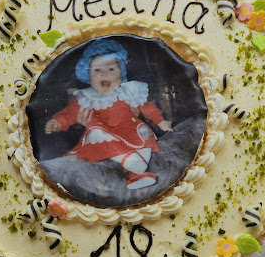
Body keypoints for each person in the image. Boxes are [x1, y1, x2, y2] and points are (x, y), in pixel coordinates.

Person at [45, 39, 172, 190]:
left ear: (121, 74)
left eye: (111, 69)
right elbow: (69, 114)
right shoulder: (87, 97)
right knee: (96, 133)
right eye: (97, 71)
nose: (104, 73)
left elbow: (146, 106)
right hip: (105, 138)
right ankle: (131, 162)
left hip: (130, 131)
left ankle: (136, 173)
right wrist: (58, 122)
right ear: (88, 76)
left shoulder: (127, 91)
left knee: (143, 132)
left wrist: (160, 121)